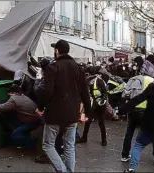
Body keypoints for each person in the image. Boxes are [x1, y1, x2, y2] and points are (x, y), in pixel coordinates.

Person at [34, 39, 91, 172]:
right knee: (69, 146)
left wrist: (41, 108)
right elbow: (85, 92)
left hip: (55, 114)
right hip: (72, 114)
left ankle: (63, 170)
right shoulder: (78, 68)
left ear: (57, 51)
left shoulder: (53, 67)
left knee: (48, 145)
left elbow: (45, 91)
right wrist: (88, 112)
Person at [120, 60, 154, 165]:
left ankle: (124, 155)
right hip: (146, 111)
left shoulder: (133, 79)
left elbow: (124, 95)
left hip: (133, 110)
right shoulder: (153, 81)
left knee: (129, 132)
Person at [0, 72, 42, 149]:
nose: (8, 94)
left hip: (31, 121)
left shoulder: (14, 99)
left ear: (13, 92)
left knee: (15, 135)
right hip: (36, 119)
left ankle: (31, 142)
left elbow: (2, 108)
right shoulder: (23, 95)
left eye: (10, 92)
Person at [77, 66, 108, 146]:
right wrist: (102, 101)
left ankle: (84, 137)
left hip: (91, 104)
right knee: (101, 122)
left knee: (88, 121)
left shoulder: (87, 80)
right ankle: (104, 140)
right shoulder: (100, 80)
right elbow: (105, 93)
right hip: (101, 104)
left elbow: (83, 93)